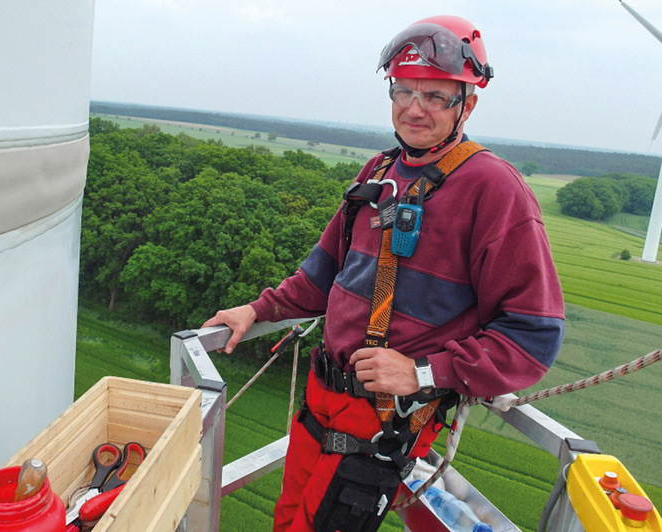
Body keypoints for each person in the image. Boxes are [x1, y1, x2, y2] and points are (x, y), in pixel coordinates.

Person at [202, 15, 565, 532]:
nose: (414, 108)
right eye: (403, 90)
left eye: (435, 96)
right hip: (322, 399)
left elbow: (533, 336)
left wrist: (423, 373)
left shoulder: (493, 189)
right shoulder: (379, 171)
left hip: (381, 422)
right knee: (286, 522)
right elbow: (323, 275)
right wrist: (258, 310)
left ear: (467, 105)